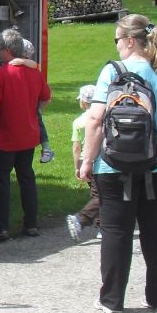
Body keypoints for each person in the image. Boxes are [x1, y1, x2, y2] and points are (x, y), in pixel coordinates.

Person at [78, 15, 157, 313]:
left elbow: (95, 120)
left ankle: (112, 300)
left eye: (117, 39)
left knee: (116, 230)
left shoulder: (113, 72)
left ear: (129, 41)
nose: (116, 45)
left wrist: (87, 161)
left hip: (116, 163)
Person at [0, 28, 52, 241]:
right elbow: (46, 99)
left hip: (6, 138)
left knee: (1, 180)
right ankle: (31, 224)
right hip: (29, 136)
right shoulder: (35, 73)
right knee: (26, 178)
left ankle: (0, 227)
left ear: (7, 50)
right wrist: (32, 110)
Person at [67, 84, 101, 243]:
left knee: (97, 194)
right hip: (100, 159)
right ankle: (82, 220)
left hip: (85, 160)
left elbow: (76, 147)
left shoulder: (79, 122)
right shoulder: (103, 118)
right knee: (101, 195)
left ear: (83, 102)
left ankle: (100, 225)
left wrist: (77, 166)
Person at [12, 38, 55, 163]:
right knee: (37, 119)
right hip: (29, 105)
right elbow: (47, 98)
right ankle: (46, 148)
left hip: (21, 105)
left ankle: (47, 148)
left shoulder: (23, 67)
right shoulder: (34, 70)